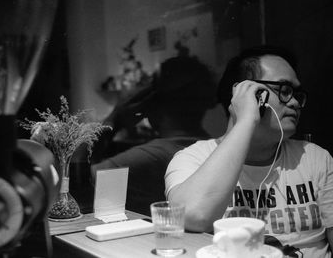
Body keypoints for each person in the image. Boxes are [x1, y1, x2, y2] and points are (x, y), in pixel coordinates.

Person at [165, 45, 333, 257]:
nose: (295, 102)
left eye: (297, 94)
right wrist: (246, 120)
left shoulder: (316, 158)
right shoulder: (192, 159)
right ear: (246, 93)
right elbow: (193, 215)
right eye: (284, 90)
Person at [91, 56, 217, 216]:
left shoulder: (149, 156)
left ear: (151, 101)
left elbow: (72, 180)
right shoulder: (215, 149)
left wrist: (114, 119)